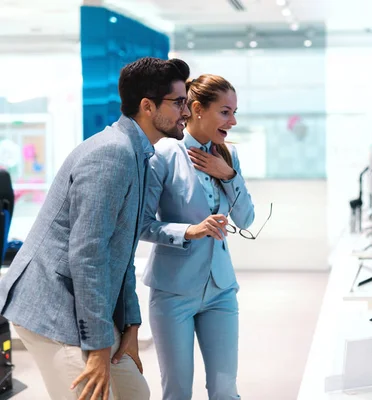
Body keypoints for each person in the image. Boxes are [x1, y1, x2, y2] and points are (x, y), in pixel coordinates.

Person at [0, 56, 191, 400]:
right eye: (179, 103)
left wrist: (130, 326)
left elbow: (122, 251)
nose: (187, 112)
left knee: (135, 394)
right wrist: (100, 347)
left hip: (83, 305)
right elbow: (88, 256)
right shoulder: (112, 154)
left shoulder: (139, 154)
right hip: (52, 308)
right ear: (148, 107)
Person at [141, 74, 255, 400]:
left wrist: (228, 175)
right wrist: (189, 231)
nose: (232, 121)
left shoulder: (227, 158)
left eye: (234, 112)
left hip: (220, 291)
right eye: (225, 111)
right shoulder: (163, 155)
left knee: (224, 390)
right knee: (177, 391)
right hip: (173, 292)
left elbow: (246, 219)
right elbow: (142, 224)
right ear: (197, 109)